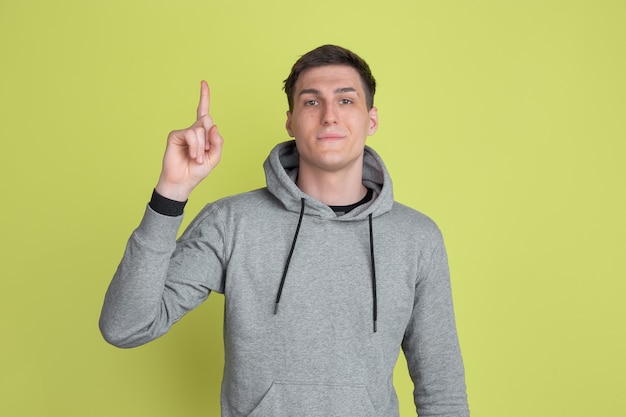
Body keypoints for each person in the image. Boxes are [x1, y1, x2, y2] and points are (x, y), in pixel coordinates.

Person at [99, 44, 470, 417]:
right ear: (290, 121)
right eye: (312, 102)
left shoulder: (416, 238)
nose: (329, 116)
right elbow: (126, 326)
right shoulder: (232, 222)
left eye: (345, 101)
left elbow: (442, 390)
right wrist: (171, 193)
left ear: (370, 119)